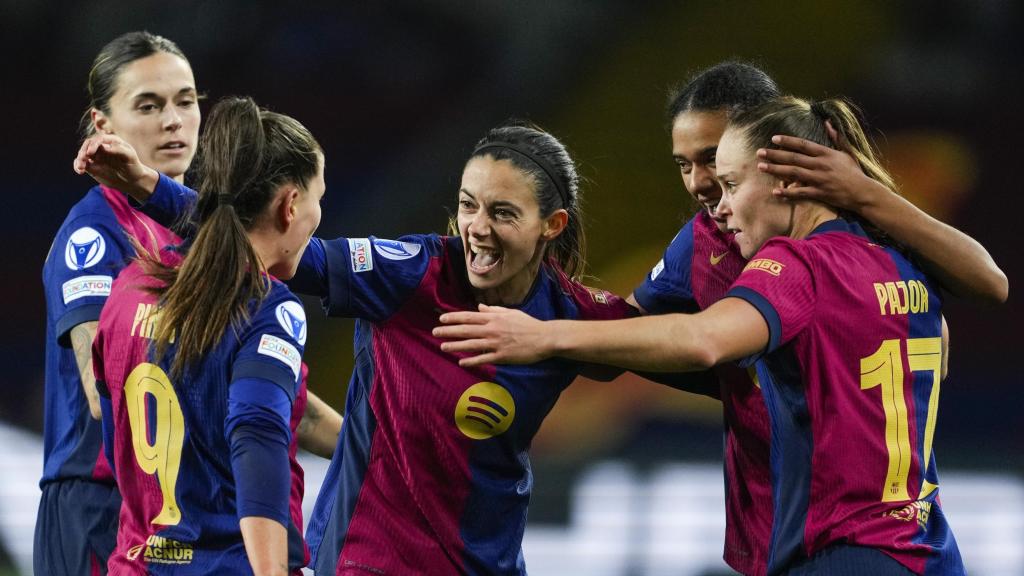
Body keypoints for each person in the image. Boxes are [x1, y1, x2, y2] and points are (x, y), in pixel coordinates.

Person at [435, 96, 972, 574]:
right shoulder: (901, 263)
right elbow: (939, 351)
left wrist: (546, 336)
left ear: (785, 181)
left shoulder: (797, 263)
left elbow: (703, 341)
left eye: (732, 185)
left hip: (844, 553)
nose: (721, 206)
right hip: (928, 548)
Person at [80, 120, 641, 574]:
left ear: (552, 225)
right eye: (469, 204)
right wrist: (148, 188)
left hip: (486, 562)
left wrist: (549, 337)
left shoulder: (573, 316)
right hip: (366, 558)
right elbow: (267, 241)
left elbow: (692, 350)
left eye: (502, 213)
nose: (475, 227)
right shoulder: (412, 273)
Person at [623, 61, 1006, 575]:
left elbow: (990, 285)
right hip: (817, 526)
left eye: (713, 159)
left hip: (839, 529)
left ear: (774, 152)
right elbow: (635, 331)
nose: (699, 181)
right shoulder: (704, 240)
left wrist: (865, 192)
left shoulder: (834, 239)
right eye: (683, 164)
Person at [90, 95, 325, 575]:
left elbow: (116, 425)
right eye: (320, 197)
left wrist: (369, 444)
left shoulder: (130, 286)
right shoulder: (267, 306)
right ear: (290, 204)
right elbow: (257, 435)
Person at [38, 31, 199, 576]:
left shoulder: (199, 235)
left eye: (185, 100)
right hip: (98, 503)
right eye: (148, 106)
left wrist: (358, 444)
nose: (173, 120)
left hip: (172, 504)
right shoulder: (95, 233)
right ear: (103, 125)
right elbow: (102, 388)